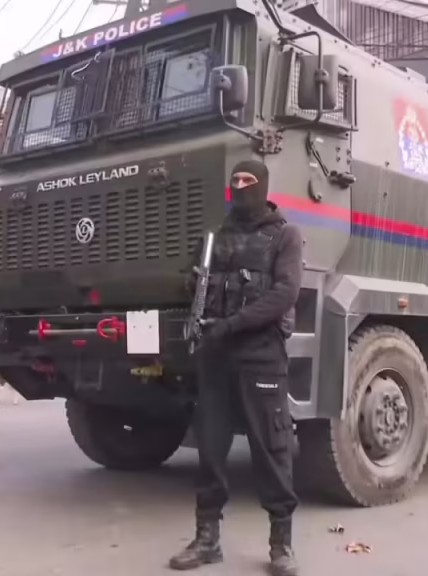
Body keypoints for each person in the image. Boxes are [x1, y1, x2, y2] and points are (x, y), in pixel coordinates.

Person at [169, 160, 304, 576]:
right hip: (216, 354)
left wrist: (233, 324)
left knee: (271, 449)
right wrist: (194, 289)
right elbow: (193, 281)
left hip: (261, 354)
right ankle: (206, 540)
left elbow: (285, 294)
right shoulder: (215, 236)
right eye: (236, 181)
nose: (241, 186)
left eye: (249, 180)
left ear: (263, 186)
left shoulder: (284, 235)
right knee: (210, 449)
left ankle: (281, 543)